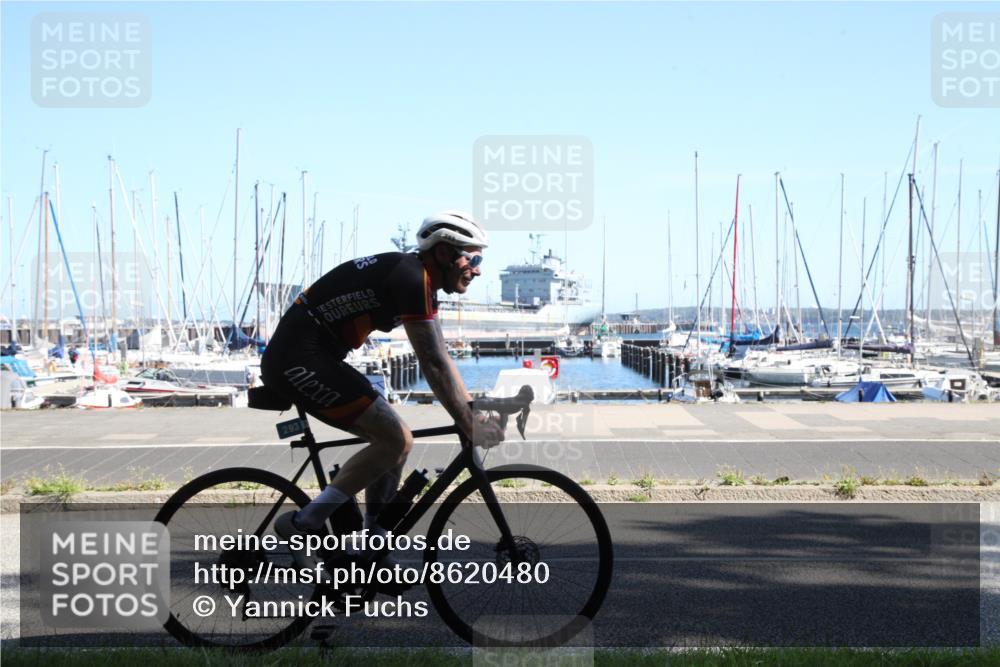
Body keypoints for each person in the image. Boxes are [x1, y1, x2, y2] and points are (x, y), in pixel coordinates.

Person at [262, 210, 505, 562]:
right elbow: (433, 364)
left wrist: (469, 411)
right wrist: (469, 424)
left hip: (319, 356)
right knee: (395, 438)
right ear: (443, 253)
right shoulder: (411, 278)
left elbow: (443, 357)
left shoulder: (420, 281)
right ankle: (304, 523)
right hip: (297, 359)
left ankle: (372, 544)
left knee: (395, 440)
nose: (478, 268)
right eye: (473, 257)